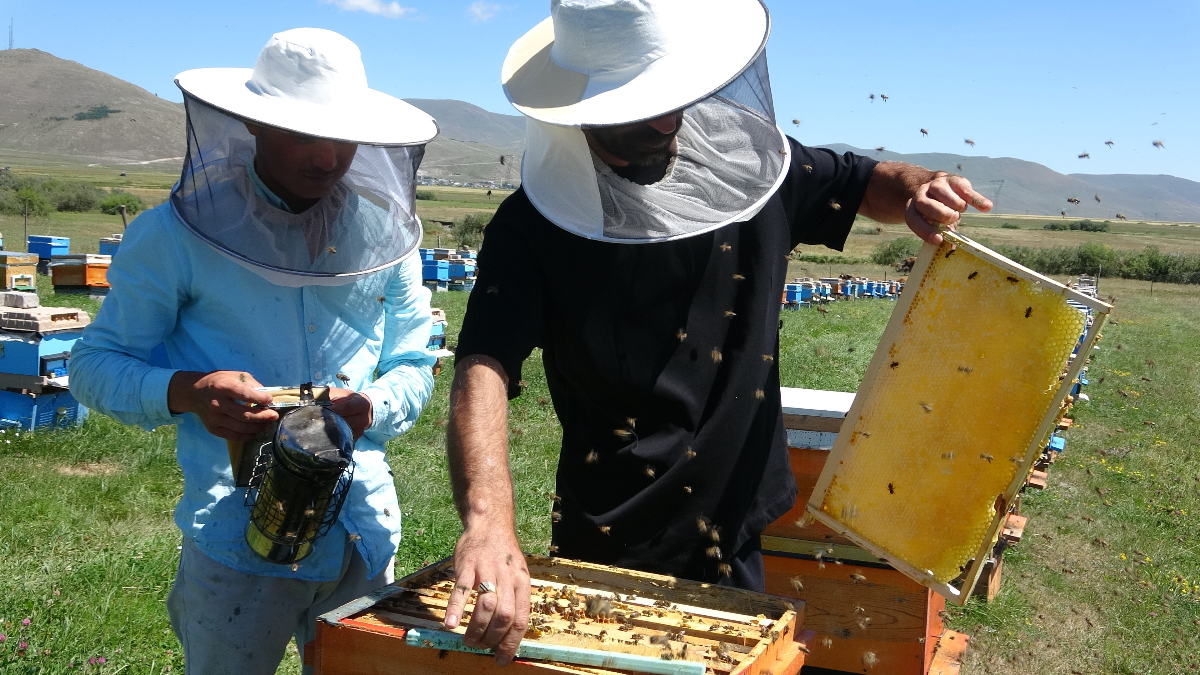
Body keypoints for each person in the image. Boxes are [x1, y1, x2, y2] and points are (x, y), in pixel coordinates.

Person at [443, 0, 996, 664]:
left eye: (671, 94)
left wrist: (918, 186)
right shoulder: (530, 225)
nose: (664, 117)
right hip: (612, 534)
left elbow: (863, 183)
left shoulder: (750, 163)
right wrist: (487, 520)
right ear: (582, 104)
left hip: (737, 527)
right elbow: (483, 365)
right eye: (637, 104)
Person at [69, 28, 440, 675]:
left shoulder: (385, 236)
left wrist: (371, 405)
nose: (327, 157)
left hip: (364, 529)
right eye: (302, 134)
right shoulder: (174, 235)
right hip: (235, 537)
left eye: (343, 136)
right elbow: (92, 364)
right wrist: (188, 390)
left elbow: (415, 360)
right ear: (253, 123)